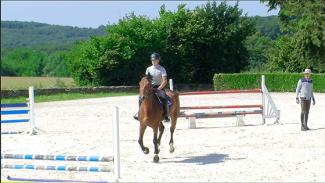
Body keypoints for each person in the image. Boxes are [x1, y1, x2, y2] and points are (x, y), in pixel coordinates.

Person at [133, 52, 171, 122]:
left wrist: (158, 88)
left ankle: (166, 115)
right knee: (140, 98)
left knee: (164, 98)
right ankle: (139, 113)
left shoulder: (162, 69)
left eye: (155, 60)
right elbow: (146, 80)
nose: (153, 61)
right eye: (152, 60)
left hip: (159, 87)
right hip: (150, 87)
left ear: (158, 60)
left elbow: (165, 81)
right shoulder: (148, 69)